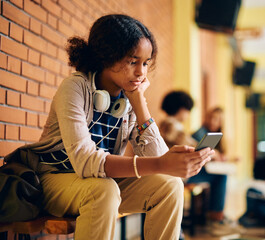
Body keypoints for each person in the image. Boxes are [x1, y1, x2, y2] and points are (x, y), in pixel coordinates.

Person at [4, 14, 214, 240]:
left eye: (145, 63)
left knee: (170, 186)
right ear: (107, 56)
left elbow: (160, 159)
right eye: (133, 61)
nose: (141, 72)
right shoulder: (75, 88)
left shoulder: (129, 99)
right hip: (52, 180)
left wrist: (139, 103)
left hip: (100, 183)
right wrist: (161, 163)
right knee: (103, 190)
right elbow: (85, 161)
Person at [166, 106, 237, 236]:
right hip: (181, 172)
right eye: (187, 110)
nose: (188, 115)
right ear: (181, 109)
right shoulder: (171, 126)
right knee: (221, 176)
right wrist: (213, 154)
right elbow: (192, 148)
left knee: (220, 176)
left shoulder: (177, 126)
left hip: (185, 169)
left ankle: (216, 217)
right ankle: (216, 219)